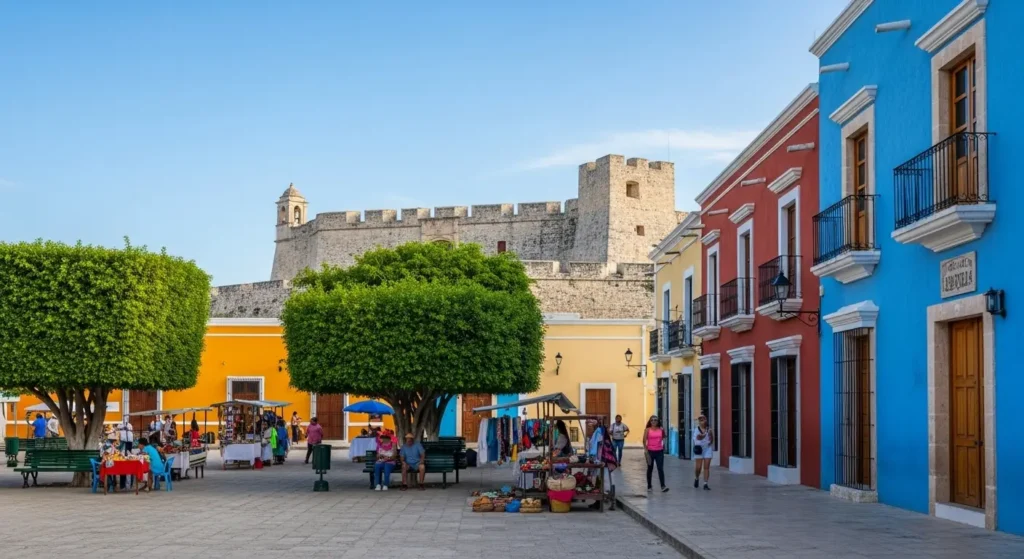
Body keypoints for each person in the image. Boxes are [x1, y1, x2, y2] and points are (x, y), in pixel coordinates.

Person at [643, 415, 669, 492]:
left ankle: (663, 486)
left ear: (658, 421)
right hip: (650, 451)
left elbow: (665, 436)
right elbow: (644, 440)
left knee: (660, 468)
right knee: (650, 468)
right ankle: (649, 486)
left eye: (655, 420)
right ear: (650, 421)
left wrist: (663, 430)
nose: (654, 421)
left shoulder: (660, 429)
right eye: (652, 420)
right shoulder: (647, 430)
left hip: (659, 451)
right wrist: (646, 450)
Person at [693, 414, 715, 490]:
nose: (702, 421)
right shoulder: (696, 430)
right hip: (699, 449)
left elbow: (712, 439)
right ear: (699, 422)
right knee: (698, 468)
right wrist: (704, 434)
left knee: (706, 467)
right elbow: (699, 437)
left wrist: (710, 439)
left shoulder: (709, 429)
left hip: (707, 449)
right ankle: (696, 478)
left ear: (706, 420)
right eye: (700, 420)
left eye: (703, 419)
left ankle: (705, 483)